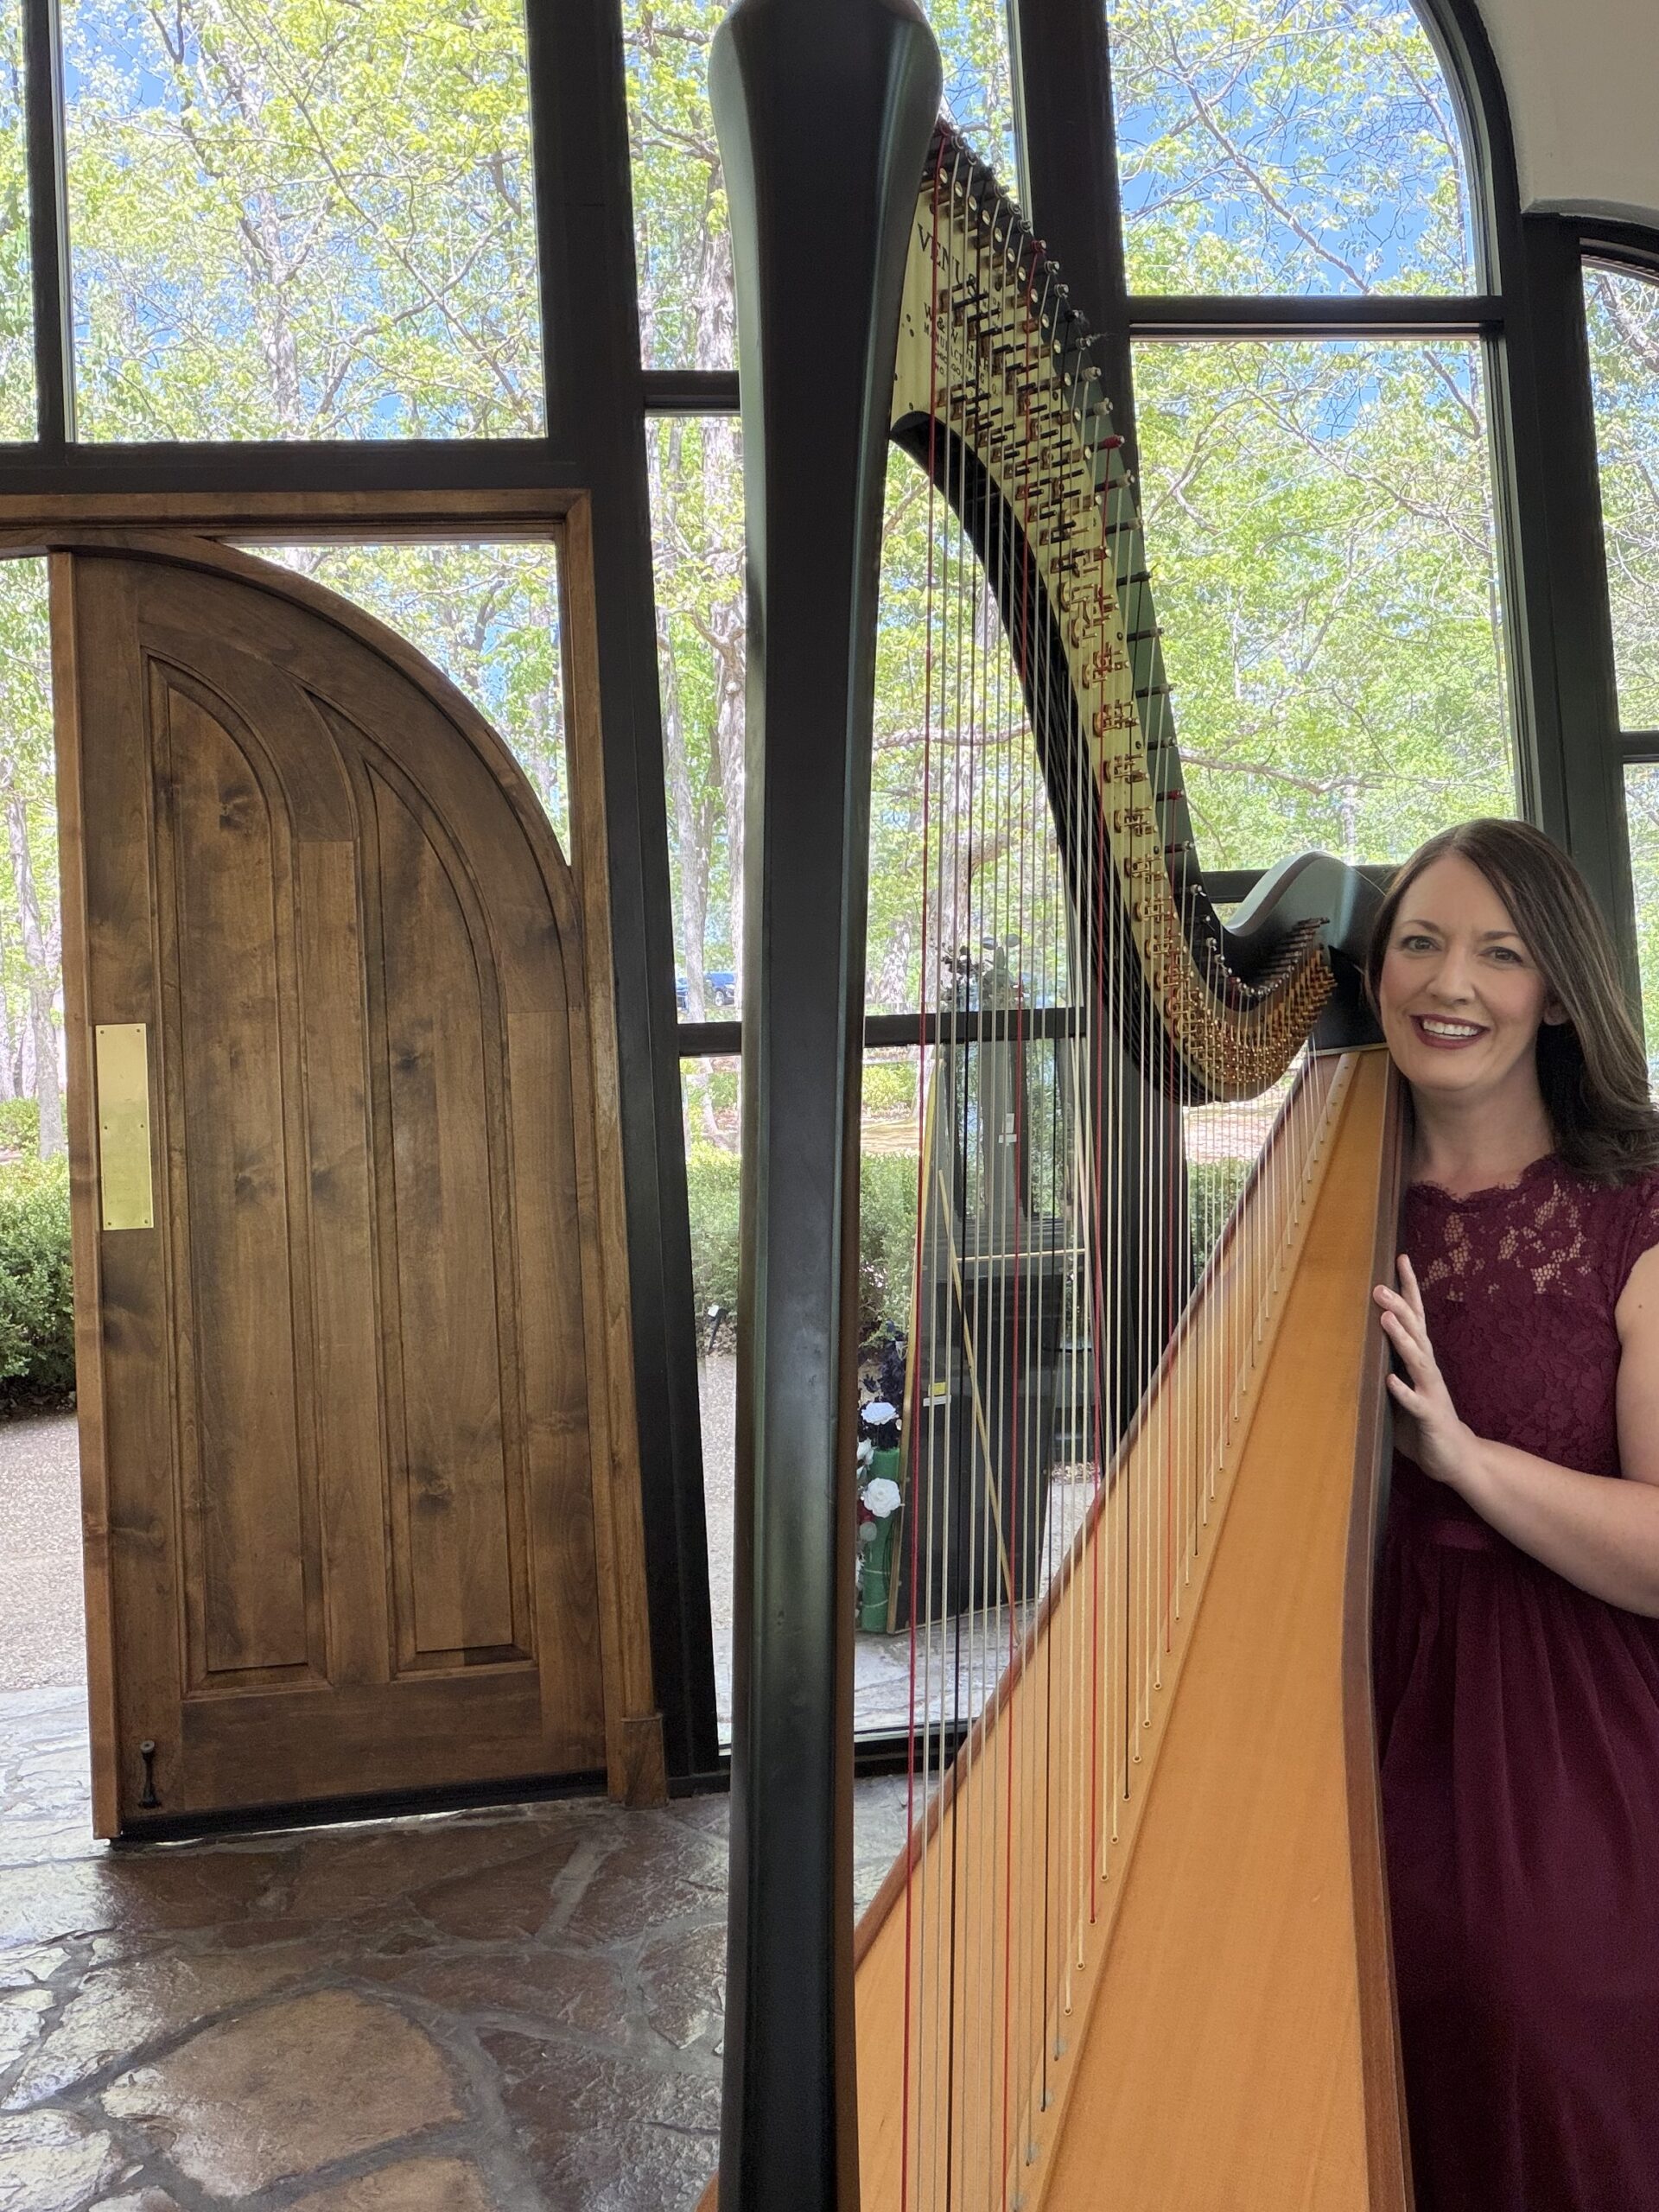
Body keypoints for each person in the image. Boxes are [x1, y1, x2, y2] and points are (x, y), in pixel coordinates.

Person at [1367, 817, 1659, 2210]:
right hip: (1360, 1694)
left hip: (1570, 1724)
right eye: (1419, 940)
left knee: (1536, 2014)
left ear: (1558, 989)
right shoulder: (1323, 1205)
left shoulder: (1636, 1212)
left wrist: (1463, 1458)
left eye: (1501, 950)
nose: (1451, 981)